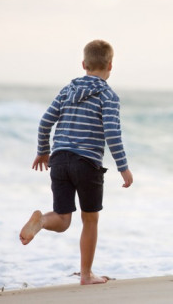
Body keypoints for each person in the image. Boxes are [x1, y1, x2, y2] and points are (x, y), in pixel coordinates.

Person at [19, 39, 133, 285]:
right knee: (89, 219)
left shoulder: (67, 90)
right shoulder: (108, 96)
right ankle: (86, 275)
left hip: (59, 160)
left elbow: (45, 122)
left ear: (84, 64)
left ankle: (41, 222)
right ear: (110, 65)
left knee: (62, 219)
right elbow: (112, 134)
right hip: (87, 163)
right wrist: (123, 167)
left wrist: (43, 150)